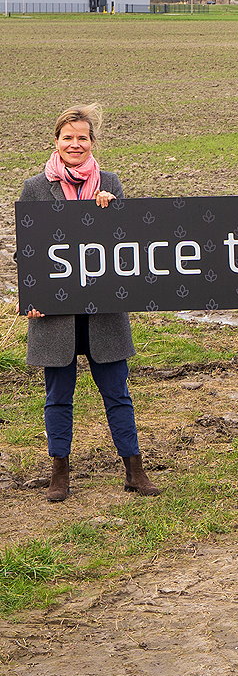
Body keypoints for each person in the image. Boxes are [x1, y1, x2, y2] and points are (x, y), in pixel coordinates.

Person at [19, 104, 160, 503]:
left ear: (92, 142)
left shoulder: (111, 183)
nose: (75, 144)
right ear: (56, 141)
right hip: (54, 315)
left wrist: (111, 212)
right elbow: (28, 251)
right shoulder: (34, 187)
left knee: (118, 393)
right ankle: (59, 472)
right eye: (68, 138)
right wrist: (31, 298)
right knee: (58, 395)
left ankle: (135, 470)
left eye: (82, 138)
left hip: (104, 313)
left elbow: (128, 246)